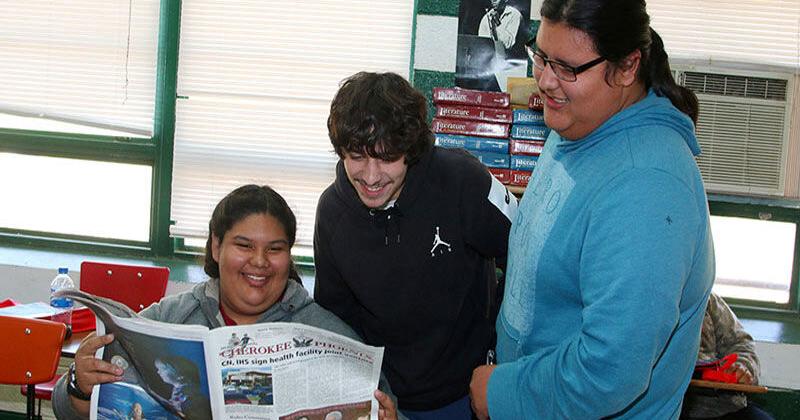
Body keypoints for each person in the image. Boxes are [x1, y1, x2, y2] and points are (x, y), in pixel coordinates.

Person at [469, 0, 715, 418]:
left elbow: (609, 371)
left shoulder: (647, 186)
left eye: (567, 68)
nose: (544, 80)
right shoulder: (580, 125)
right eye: (541, 55)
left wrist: (501, 392)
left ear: (627, 67)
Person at [52, 184, 399, 420]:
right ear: (217, 247)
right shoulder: (166, 318)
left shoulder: (326, 333)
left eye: (275, 249)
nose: (260, 262)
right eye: (244, 246)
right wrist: (77, 385)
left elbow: (386, 405)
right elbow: (66, 409)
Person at [314, 71, 517, 419]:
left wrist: (499, 349)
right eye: (357, 157)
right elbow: (337, 320)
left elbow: (526, 257)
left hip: (467, 393)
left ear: (409, 149)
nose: (372, 176)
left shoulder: (463, 181)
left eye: (386, 158)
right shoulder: (333, 211)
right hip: (384, 396)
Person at [682, 292, 774, 420]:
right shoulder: (649, 303)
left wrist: (742, 368)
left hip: (725, 406)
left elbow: (741, 344)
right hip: (669, 410)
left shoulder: (707, 298)